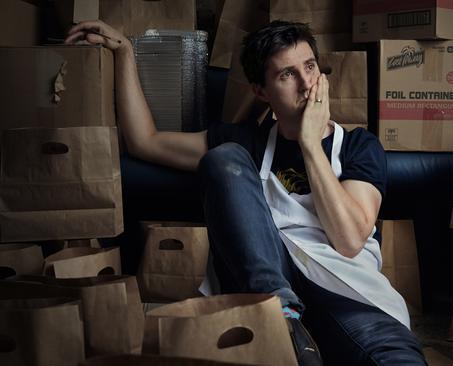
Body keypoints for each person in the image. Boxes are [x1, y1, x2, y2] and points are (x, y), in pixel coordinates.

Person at [66, 20, 426, 365]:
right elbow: (145, 142)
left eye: (311, 67)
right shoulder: (244, 143)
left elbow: (348, 240)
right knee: (223, 159)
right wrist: (125, 53)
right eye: (287, 74)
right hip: (269, 289)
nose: (305, 84)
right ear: (261, 91)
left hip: (348, 295)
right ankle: (282, 321)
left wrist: (310, 144)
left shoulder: (359, 147)